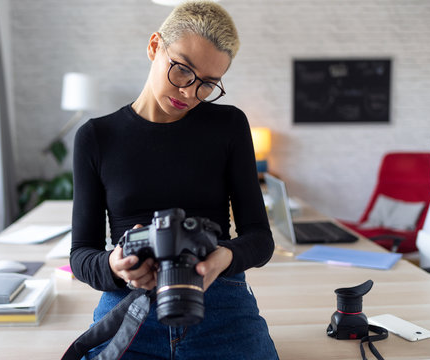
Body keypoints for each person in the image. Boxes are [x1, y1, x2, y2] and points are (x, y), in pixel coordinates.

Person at [70, 1, 279, 359]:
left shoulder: (228, 126)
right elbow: (81, 255)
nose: (189, 92)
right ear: (154, 46)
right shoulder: (96, 137)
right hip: (130, 305)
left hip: (219, 297)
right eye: (182, 70)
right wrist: (116, 267)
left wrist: (222, 258)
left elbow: (260, 238)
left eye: (208, 85)